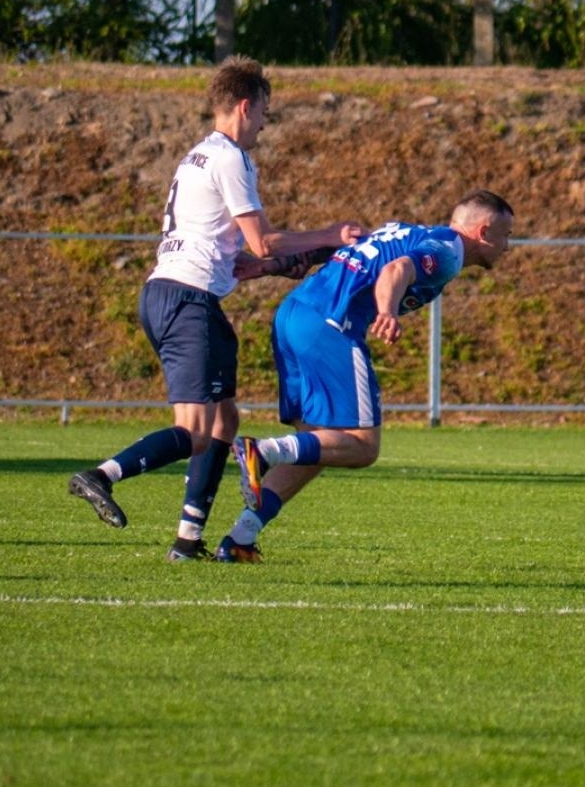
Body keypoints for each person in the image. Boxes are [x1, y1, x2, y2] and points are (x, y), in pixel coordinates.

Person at [68, 55, 364, 560]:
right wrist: (332, 235)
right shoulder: (231, 157)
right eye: (265, 112)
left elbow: (242, 255)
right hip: (188, 301)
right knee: (195, 430)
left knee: (224, 421)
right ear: (245, 107)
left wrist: (270, 264)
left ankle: (188, 540)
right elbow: (266, 241)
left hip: (177, 294)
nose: (266, 124)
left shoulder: (198, 156)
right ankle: (101, 475)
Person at [215, 189, 516, 562]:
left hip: (294, 314)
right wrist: (386, 311)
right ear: (484, 231)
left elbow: (350, 252)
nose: (508, 246)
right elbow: (396, 270)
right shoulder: (448, 251)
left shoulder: (407, 231)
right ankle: (263, 451)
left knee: (322, 445)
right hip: (331, 324)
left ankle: (241, 537)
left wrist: (270, 267)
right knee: (361, 446)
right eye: (506, 236)